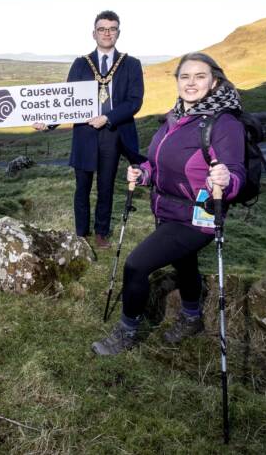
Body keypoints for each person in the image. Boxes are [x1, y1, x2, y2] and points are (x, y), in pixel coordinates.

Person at [91, 52, 246, 355]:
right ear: (176, 81)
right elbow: (157, 162)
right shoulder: (176, 117)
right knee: (184, 262)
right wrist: (143, 172)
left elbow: (235, 173)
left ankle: (127, 331)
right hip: (166, 209)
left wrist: (228, 180)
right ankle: (191, 317)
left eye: (200, 76)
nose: (191, 83)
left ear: (214, 81)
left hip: (196, 216)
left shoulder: (224, 122)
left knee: (136, 265)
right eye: (185, 76)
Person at [35, 10, 144, 248]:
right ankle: (81, 233)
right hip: (84, 134)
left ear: (118, 32)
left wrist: (107, 117)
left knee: (106, 186)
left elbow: (134, 102)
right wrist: (48, 123)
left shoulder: (131, 64)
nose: (107, 33)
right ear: (93, 33)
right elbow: (67, 100)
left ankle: (101, 232)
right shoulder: (81, 64)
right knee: (82, 187)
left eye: (112, 28)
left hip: (113, 133)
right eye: (102, 29)